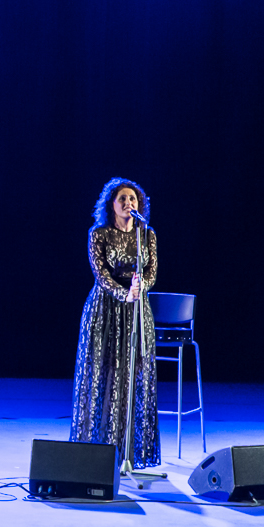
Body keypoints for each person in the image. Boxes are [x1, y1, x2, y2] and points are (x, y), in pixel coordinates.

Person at [70, 178, 160, 469]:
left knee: (133, 375)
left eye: (132, 199)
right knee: (104, 372)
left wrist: (141, 287)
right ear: (111, 204)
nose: (128, 204)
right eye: (122, 199)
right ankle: (96, 448)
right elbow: (101, 274)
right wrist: (124, 293)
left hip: (137, 310)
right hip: (106, 309)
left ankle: (128, 452)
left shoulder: (146, 235)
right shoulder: (99, 234)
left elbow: (152, 271)